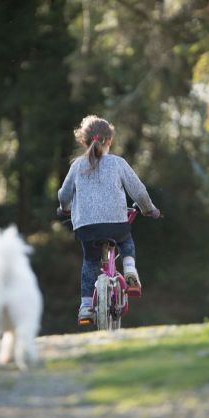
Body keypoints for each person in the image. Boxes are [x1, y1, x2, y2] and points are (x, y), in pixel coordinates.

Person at [57, 115, 161, 324]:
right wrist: (149, 209)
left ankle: (86, 306)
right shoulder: (117, 163)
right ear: (110, 140)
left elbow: (64, 194)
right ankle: (130, 269)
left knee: (90, 261)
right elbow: (138, 191)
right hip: (116, 224)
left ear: (84, 142)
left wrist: (64, 209)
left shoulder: (77, 166)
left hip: (86, 227)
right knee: (126, 241)